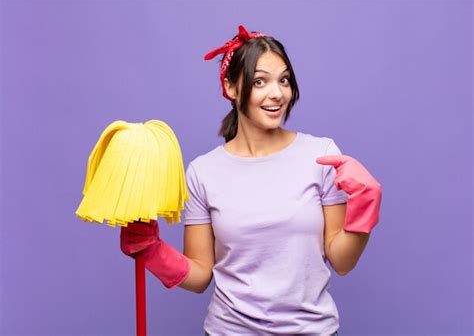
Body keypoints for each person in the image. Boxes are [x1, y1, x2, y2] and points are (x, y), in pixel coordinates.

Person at [120, 25, 382, 336]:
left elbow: (341, 261)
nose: (277, 93)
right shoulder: (203, 172)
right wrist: (153, 251)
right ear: (231, 88)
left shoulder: (321, 156)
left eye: (284, 80)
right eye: (260, 81)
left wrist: (363, 211)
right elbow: (201, 274)